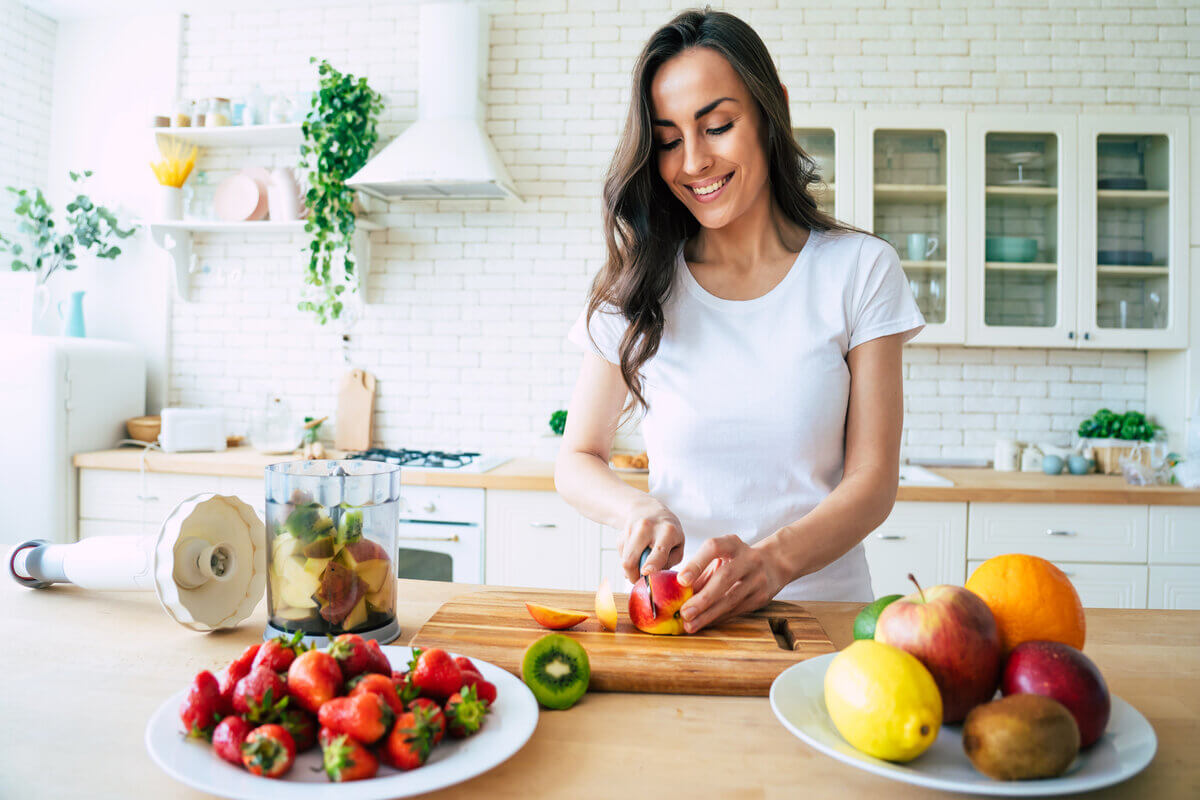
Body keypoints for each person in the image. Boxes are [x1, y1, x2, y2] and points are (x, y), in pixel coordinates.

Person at [554, 8, 924, 633]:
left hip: (822, 621)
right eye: (668, 139)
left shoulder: (859, 270)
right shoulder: (639, 284)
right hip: (682, 620)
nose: (693, 161)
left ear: (771, 108)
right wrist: (637, 509)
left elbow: (872, 480)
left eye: (717, 126)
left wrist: (774, 563)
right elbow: (578, 457)